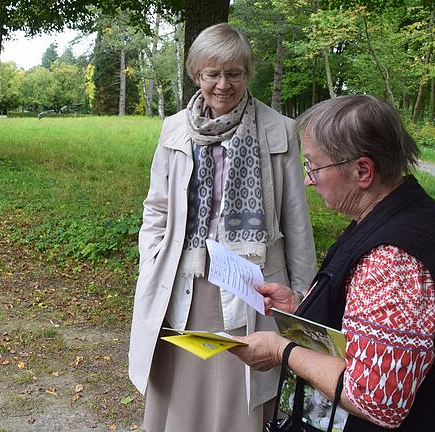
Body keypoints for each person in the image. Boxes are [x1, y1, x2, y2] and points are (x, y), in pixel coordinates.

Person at [230, 94, 435, 431]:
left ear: (362, 170)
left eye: (314, 166)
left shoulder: (392, 260)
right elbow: (367, 327)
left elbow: (373, 398)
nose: (308, 180)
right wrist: (304, 306)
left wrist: (280, 350)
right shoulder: (397, 211)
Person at [128, 23, 317, 432]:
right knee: (182, 382)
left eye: (234, 73)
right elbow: (156, 209)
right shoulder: (175, 128)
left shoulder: (277, 129)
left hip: (251, 285)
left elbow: (297, 224)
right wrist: (152, 260)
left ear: (248, 74)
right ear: (197, 75)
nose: (223, 84)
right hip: (185, 280)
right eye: (212, 73)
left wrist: (303, 300)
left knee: (240, 385)